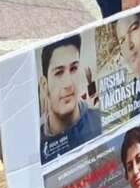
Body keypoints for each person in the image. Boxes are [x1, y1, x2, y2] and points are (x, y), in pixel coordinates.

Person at [39, 34, 103, 164]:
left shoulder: (100, 120)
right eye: (59, 72)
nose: (68, 83)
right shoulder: (36, 144)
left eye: (73, 69)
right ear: (44, 85)